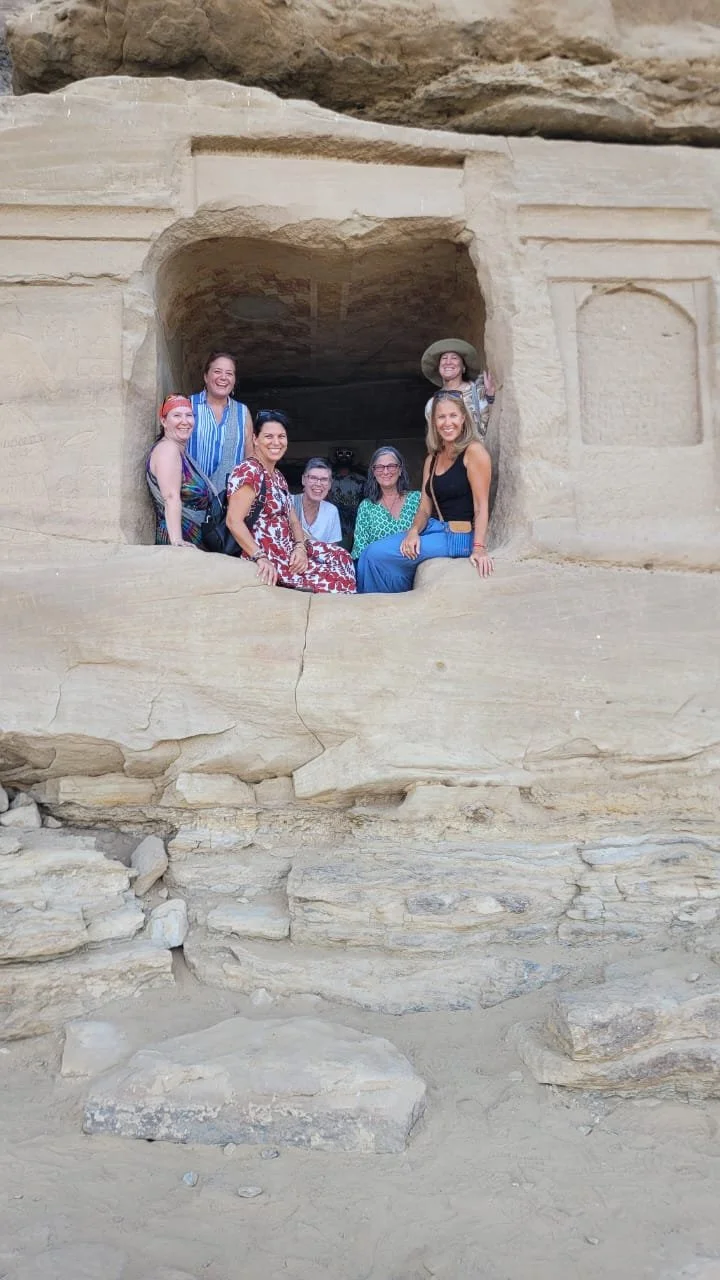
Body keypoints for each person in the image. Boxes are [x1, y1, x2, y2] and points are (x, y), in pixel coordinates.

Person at [356, 391, 494, 593]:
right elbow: (424, 508)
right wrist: (413, 532)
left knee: (375, 555)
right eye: (441, 417)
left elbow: (481, 506)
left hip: (458, 536)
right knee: (369, 554)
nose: (448, 423)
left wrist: (479, 548)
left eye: (453, 415)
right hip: (433, 528)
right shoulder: (433, 458)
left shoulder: (474, 452)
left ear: (463, 418)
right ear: (434, 422)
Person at [226, 411, 356, 593]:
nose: (276, 442)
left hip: (290, 549)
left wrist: (301, 547)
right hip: (269, 552)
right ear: (255, 439)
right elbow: (233, 521)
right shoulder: (248, 471)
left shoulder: (278, 476)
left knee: (342, 557)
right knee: (336, 582)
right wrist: (260, 557)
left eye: (281, 436)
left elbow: (293, 520)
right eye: (268, 436)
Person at [146, 395, 211, 547]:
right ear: (164, 421)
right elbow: (170, 497)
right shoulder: (168, 449)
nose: (185, 421)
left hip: (191, 539)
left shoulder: (181, 452)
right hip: (178, 540)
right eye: (177, 415)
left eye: (189, 415)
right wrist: (177, 541)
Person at [187, 351, 254, 493]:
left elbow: (250, 458)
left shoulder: (242, 412)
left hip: (230, 502)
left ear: (234, 380)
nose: (223, 377)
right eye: (217, 371)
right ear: (206, 376)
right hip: (191, 501)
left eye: (229, 373)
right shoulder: (189, 405)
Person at [351, 447, 421, 559]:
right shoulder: (366, 506)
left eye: (391, 466)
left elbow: (428, 535)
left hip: (416, 567)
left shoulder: (417, 499)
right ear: (373, 472)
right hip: (379, 571)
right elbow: (360, 551)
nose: (385, 471)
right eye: (379, 467)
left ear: (400, 470)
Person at [421, 338, 495, 439]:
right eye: (444, 358)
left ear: (463, 367)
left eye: (454, 358)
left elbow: (493, 424)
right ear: (439, 368)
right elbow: (434, 438)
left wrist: (491, 397)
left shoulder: (478, 392)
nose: (448, 362)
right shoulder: (432, 403)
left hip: (476, 452)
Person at [291, 458, 342, 544]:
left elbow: (332, 550)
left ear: (330, 484)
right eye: (313, 478)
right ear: (303, 480)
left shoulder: (331, 511)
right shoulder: (288, 503)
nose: (318, 484)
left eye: (324, 479)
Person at [329, 447, 366, 545]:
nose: (344, 456)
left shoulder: (361, 480)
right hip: (333, 524)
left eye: (348, 454)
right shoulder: (328, 479)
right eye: (340, 453)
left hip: (356, 525)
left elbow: (366, 503)